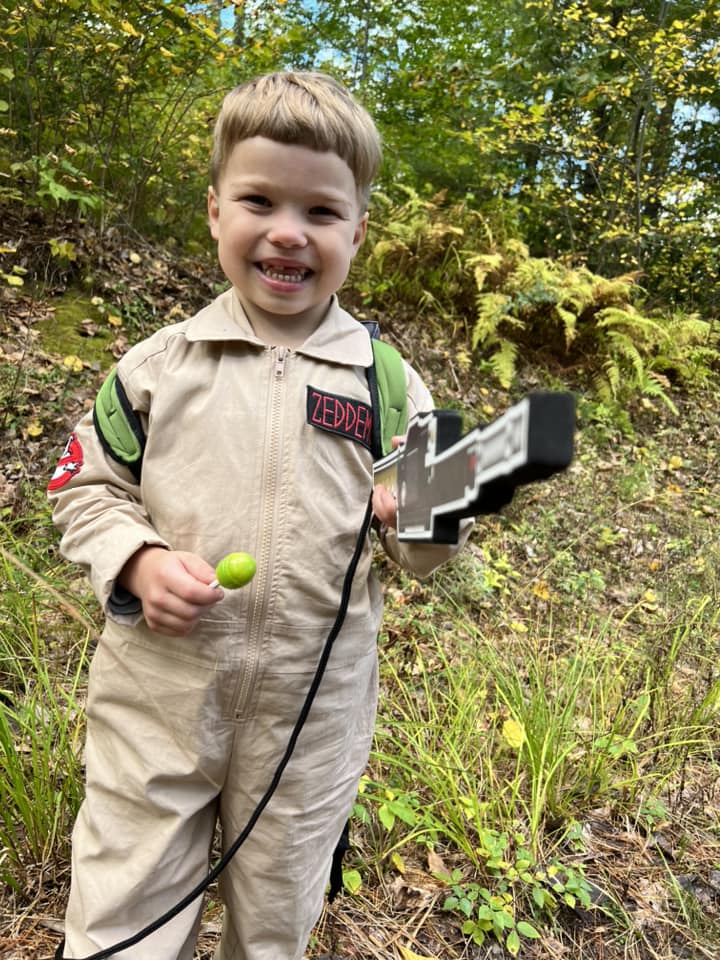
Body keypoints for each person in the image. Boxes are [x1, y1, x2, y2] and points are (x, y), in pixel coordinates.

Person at [49, 71, 470, 960]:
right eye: (258, 200)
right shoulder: (157, 368)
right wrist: (136, 562)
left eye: (321, 212)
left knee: (277, 924)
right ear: (213, 211)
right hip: (156, 703)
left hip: (311, 725)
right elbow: (84, 488)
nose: (287, 231)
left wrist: (423, 518)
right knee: (119, 919)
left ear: (358, 231)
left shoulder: (395, 389)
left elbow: (439, 552)